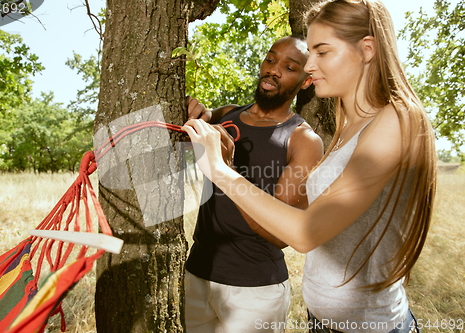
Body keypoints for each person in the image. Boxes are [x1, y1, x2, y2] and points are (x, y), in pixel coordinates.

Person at [182, 1, 437, 333]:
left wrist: (221, 169)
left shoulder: (397, 121)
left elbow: (305, 233)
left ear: (367, 49)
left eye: (322, 52)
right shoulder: (351, 126)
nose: (310, 66)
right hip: (323, 323)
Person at [184, 34, 324, 333]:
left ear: (306, 80)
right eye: (271, 59)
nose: (274, 69)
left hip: (253, 291)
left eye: (289, 67)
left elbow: (281, 235)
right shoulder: (226, 116)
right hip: (197, 274)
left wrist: (226, 168)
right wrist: (196, 113)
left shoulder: (303, 141)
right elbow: (202, 121)